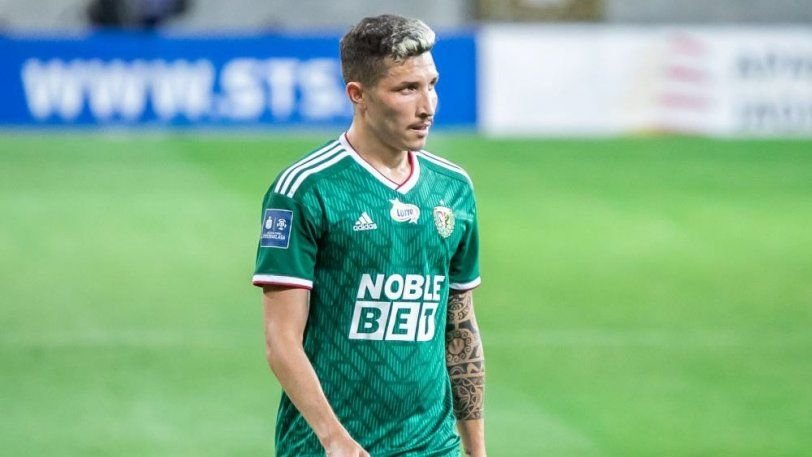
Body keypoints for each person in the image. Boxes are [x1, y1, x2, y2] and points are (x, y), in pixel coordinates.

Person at [253, 14, 486, 457]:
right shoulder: (305, 190)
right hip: (327, 448)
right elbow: (281, 341)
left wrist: (476, 450)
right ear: (357, 95)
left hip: (433, 446)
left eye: (432, 84)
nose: (427, 106)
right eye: (407, 89)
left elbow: (460, 327)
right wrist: (334, 438)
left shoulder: (453, 189)